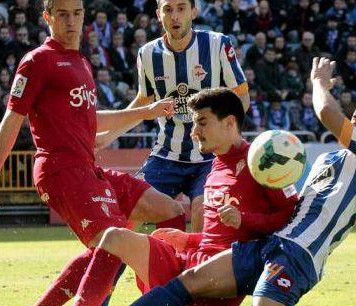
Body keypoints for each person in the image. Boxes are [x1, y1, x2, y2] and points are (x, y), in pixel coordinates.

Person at [67, 57, 356, 306]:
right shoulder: (328, 158)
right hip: (271, 244)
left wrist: (319, 82)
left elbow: (327, 115)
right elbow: (301, 210)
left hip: (299, 254)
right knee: (192, 280)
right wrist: (194, 239)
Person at [0, 0, 184, 306]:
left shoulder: (81, 63)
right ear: (47, 17)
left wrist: (146, 112)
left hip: (89, 169)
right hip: (62, 171)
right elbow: (12, 120)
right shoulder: (37, 62)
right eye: (62, 14)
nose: (71, 21)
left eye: (76, 13)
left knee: (170, 209)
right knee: (116, 242)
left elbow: (90, 118)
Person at [69, 88, 297, 306]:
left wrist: (245, 220)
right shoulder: (217, 164)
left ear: (229, 122)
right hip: (190, 261)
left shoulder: (261, 161)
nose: (194, 132)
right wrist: (188, 239)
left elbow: (290, 218)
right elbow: (216, 237)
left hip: (217, 281)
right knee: (114, 236)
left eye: (201, 122)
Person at [97, 0, 250, 233]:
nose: (175, 16)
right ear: (159, 14)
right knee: (131, 208)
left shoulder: (218, 45)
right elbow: (143, 102)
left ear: (194, 11)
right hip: (167, 154)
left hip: (210, 156)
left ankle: (193, 268)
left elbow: (242, 97)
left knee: (201, 209)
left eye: (181, 8)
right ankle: (108, 269)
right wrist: (108, 136)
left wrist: (224, 135)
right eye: (168, 9)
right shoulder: (147, 53)